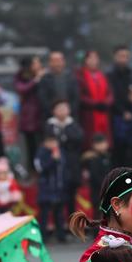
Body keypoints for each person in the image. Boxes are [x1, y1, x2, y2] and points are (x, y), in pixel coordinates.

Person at [45, 100, 85, 233]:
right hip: (55, 170)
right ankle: (59, 229)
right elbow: (48, 141)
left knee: (71, 199)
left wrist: (64, 137)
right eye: (59, 108)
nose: (62, 111)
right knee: (57, 202)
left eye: (64, 108)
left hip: (71, 167)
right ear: (54, 111)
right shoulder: (50, 125)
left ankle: (72, 228)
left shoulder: (72, 124)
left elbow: (78, 139)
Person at [14, 55, 45, 173]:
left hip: (42, 117)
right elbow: (22, 89)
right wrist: (36, 79)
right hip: (30, 119)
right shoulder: (21, 77)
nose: (38, 65)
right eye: (35, 63)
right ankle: (32, 171)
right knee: (31, 148)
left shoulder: (44, 75)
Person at [35, 132, 68, 243]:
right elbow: (40, 169)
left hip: (58, 188)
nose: (53, 144)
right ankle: (43, 236)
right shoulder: (41, 154)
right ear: (45, 143)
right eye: (50, 142)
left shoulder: (61, 152)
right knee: (44, 214)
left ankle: (61, 236)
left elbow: (64, 168)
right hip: (46, 188)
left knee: (59, 213)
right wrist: (52, 160)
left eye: (54, 141)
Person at [77, 50, 113, 150]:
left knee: (105, 142)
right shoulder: (80, 75)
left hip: (103, 114)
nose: (93, 60)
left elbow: (109, 93)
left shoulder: (102, 75)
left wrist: (106, 103)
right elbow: (80, 96)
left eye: (95, 58)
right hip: (89, 115)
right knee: (90, 142)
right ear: (85, 60)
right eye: (90, 58)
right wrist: (95, 104)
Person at [108, 45, 132, 165]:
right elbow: (111, 97)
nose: (123, 59)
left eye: (126, 56)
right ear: (115, 57)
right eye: (121, 56)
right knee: (117, 153)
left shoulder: (131, 74)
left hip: (131, 117)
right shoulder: (109, 75)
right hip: (115, 117)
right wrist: (122, 112)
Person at [38, 51, 80, 123]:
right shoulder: (45, 79)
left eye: (59, 60)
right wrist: (54, 112)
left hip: (70, 117)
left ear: (63, 62)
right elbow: (42, 99)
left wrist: (68, 111)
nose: (57, 64)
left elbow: (76, 97)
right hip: (50, 117)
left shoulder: (71, 77)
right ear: (50, 63)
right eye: (54, 61)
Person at [82, 133, 112, 199]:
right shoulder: (92, 158)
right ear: (93, 145)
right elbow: (95, 176)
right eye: (98, 144)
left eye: (103, 142)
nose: (101, 145)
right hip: (98, 192)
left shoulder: (109, 156)